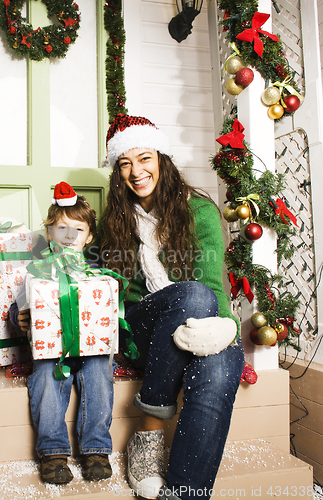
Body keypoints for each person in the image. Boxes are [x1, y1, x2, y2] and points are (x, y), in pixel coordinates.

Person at [95, 114, 245, 500]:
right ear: (117, 171)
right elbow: (112, 290)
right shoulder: (114, 220)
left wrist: (226, 326)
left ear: (161, 158)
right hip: (144, 326)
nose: (136, 171)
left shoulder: (199, 212)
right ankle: (148, 427)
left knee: (220, 361)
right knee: (192, 295)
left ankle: (183, 494)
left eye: (144, 158)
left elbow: (214, 287)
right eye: (125, 163)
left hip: (195, 319)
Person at [10, 181, 114, 485]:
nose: (69, 237)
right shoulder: (37, 271)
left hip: (91, 349)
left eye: (77, 230)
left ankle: (95, 450)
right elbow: (18, 306)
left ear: (89, 236)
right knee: (45, 378)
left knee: (99, 375)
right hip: (51, 351)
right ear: (50, 234)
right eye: (61, 229)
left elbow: (108, 308)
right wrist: (22, 318)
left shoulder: (97, 274)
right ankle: (53, 452)